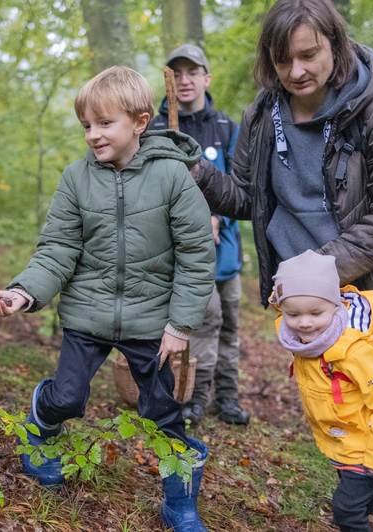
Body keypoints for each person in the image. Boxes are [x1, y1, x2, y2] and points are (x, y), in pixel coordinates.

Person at [0, 66, 215, 532]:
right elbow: (58, 248)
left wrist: (180, 325)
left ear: (140, 122)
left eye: (104, 123)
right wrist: (24, 293)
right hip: (87, 314)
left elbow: (196, 256)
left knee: (163, 412)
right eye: (86, 125)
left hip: (152, 322)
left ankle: (179, 502)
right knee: (67, 395)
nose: (92, 135)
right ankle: (40, 429)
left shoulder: (173, 177)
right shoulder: (76, 178)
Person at [191, 0, 373, 329]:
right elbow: (249, 199)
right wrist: (196, 171)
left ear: (336, 46)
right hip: (305, 300)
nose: (295, 71)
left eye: (308, 55)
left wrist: (320, 267)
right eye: (282, 60)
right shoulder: (260, 116)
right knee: (320, 384)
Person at [271, 251, 373, 532]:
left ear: (336, 307)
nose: (304, 322)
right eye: (293, 314)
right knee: (372, 500)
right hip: (343, 441)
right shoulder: (305, 342)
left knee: (348, 509)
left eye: (315, 313)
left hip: (366, 444)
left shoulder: (356, 348)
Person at [149, 44, 249, 426]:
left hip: (225, 250)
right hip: (183, 253)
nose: (185, 80)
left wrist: (217, 219)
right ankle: (195, 396)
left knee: (231, 324)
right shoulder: (156, 128)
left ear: (206, 78)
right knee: (203, 320)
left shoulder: (226, 128)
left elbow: (241, 190)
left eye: (193, 72)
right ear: (168, 80)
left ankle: (228, 396)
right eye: (177, 73)